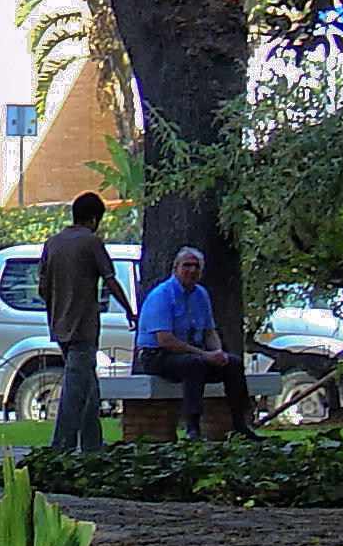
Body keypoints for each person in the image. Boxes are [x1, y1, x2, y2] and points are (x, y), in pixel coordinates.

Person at [40, 191, 132, 455]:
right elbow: (110, 279)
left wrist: (57, 308)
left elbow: (42, 287)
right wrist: (128, 310)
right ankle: (61, 447)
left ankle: (92, 445)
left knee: (88, 386)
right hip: (83, 328)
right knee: (75, 390)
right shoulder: (91, 242)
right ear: (93, 219)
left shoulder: (53, 243)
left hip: (59, 326)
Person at [136, 246, 246, 441]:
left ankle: (241, 425)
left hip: (192, 353)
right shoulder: (161, 296)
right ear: (175, 268)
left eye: (196, 267)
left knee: (233, 364)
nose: (192, 270)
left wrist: (218, 353)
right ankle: (192, 429)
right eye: (187, 265)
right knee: (194, 365)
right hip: (158, 356)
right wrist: (204, 355)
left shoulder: (201, 295)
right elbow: (165, 340)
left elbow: (209, 331)